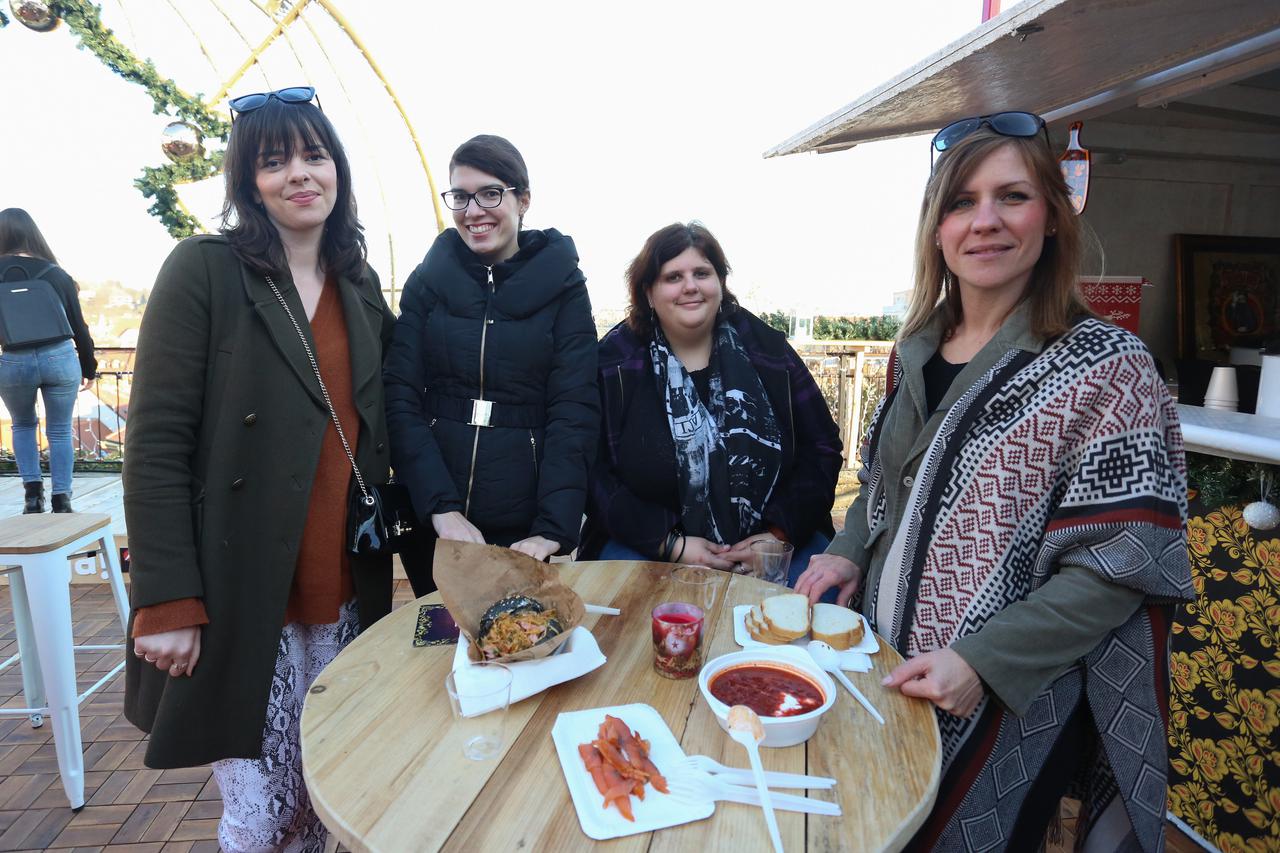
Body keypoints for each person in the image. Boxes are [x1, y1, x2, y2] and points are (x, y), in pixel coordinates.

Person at [794, 113, 1191, 851]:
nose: (985, 221)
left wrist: (982, 660)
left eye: (1012, 196)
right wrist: (847, 551)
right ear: (936, 229)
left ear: (1053, 215)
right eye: (961, 202)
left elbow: (1123, 564)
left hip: (1013, 700)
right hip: (881, 669)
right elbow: (881, 489)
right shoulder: (912, 351)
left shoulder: (1108, 366)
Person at [122, 87, 394, 852]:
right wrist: (167, 600)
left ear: (338, 169)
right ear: (248, 183)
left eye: (315, 155)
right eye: (274, 162)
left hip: (342, 585)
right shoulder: (205, 270)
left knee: (330, 792)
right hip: (240, 589)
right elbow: (155, 443)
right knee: (266, 814)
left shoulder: (360, 286)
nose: (299, 173)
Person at [384, 135, 598, 595]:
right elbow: (399, 394)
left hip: (522, 525)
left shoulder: (563, 286)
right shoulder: (429, 280)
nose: (473, 210)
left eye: (490, 193)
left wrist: (552, 526)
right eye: (461, 196)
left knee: (515, 631)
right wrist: (439, 506)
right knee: (437, 632)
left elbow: (574, 407)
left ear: (523, 200)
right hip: (433, 515)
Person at [580, 222, 842, 584]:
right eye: (673, 277)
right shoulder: (614, 364)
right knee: (635, 610)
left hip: (771, 544)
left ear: (720, 282)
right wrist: (671, 544)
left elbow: (822, 448)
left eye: (702, 273)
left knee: (813, 604)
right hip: (647, 544)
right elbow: (591, 470)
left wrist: (777, 534)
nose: (690, 286)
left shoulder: (769, 351)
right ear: (648, 293)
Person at [0, 208, 96, 513]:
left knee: (22, 425)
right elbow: (79, 325)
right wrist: (89, 367)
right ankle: (62, 499)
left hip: (14, 360)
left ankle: (32, 497)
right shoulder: (55, 274)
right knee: (59, 430)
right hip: (59, 356)